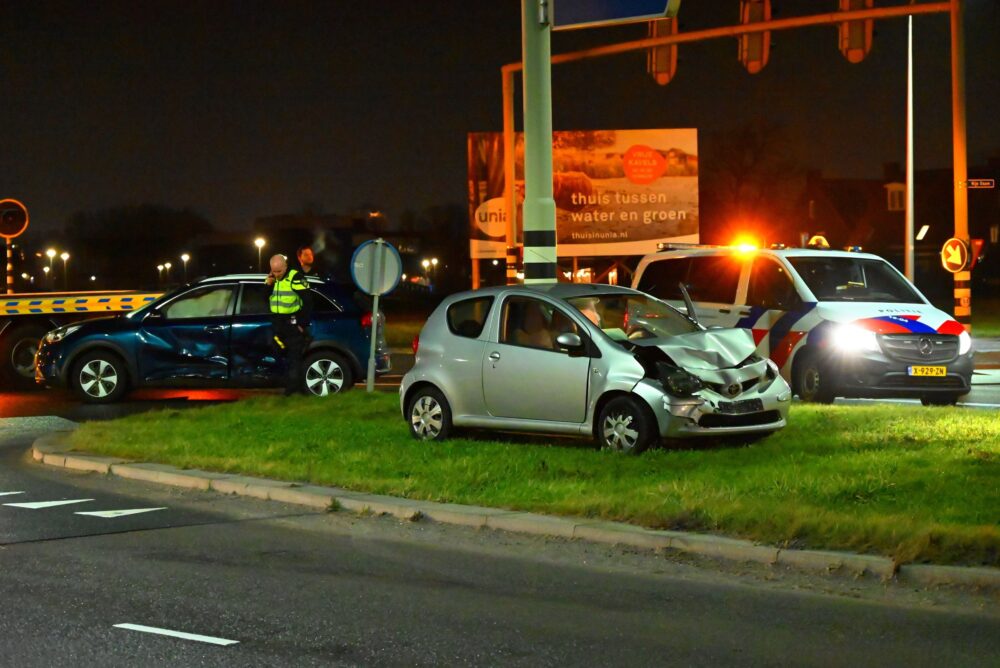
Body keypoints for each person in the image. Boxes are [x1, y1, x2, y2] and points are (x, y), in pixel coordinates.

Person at [266, 254, 312, 395]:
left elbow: (308, 302)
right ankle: (287, 384)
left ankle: (292, 392)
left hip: (292, 324)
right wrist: (269, 285)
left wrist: (301, 324)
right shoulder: (272, 278)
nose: (277, 274)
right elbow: (264, 298)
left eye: (279, 271)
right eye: (274, 271)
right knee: (280, 354)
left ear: (285, 266)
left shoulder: (296, 277)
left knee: (294, 358)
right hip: (278, 324)